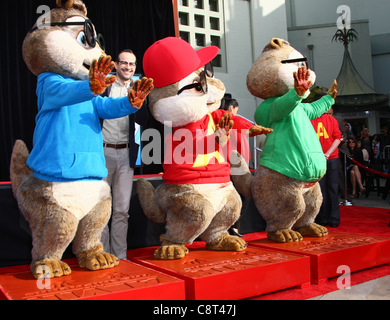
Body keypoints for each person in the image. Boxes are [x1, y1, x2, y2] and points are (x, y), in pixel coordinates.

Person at [101, 49, 149, 259]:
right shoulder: (105, 88)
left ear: (135, 68)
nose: (127, 67)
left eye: (131, 64)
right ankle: (102, 253)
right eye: (123, 63)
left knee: (122, 210)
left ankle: (120, 256)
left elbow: (144, 121)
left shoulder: (138, 90)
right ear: (116, 65)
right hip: (102, 152)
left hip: (126, 155)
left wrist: (140, 101)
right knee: (100, 209)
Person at [311, 106, 342, 227]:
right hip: (332, 158)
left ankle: (322, 218)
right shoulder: (332, 120)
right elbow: (338, 138)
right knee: (333, 189)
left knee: (321, 190)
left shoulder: (310, 120)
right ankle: (334, 219)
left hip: (318, 159)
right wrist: (328, 153)